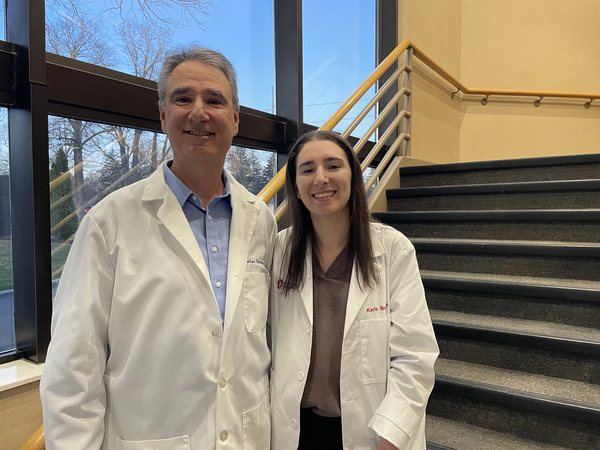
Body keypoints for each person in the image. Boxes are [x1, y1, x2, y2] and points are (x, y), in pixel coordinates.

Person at [40, 47, 276, 450]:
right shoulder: (108, 222)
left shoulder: (261, 220)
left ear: (235, 120)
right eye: (183, 99)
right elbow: (72, 368)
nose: (199, 112)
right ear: (163, 116)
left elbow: (259, 347)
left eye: (214, 100)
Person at [269, 130, 439, 450]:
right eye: (307, 169)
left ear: (353, 176)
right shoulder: (279, 250)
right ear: (295, 186)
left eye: (333, 166)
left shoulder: (392, 249)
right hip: (293, 429)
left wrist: (391, 436)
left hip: (371, 431)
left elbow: (415, 356)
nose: (320, 178)